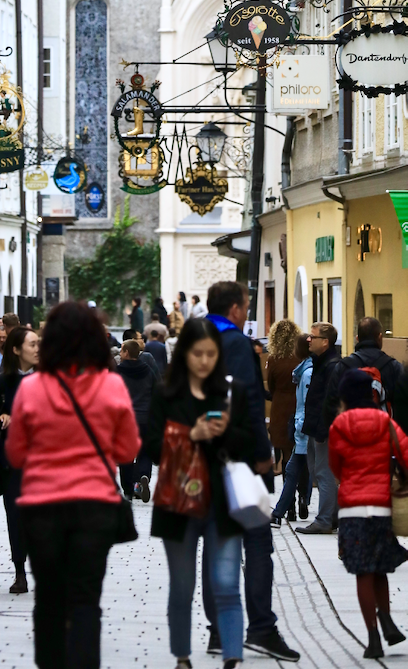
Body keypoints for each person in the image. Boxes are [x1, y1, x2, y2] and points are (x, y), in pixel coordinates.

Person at [6, 301, 139, 669]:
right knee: (84, 600)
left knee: (48, 600)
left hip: (41, 507)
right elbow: (128, 448)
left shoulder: (31, 389)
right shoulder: (112, 386)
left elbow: (15, 454)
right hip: (94, 507)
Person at [145, 319, 254, 669]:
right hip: (177, 501)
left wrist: (225, 434)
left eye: (211, 354)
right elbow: (148, 446)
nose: (205, 361)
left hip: (222, 502)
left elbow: (249, 444)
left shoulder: (230, 391)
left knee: (226, 584)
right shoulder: (166, 393)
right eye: (197, 354)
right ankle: (182, 657)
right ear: (184, 355)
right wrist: (190, 434)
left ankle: (232, 656)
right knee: (182, 586)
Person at [205, 282, 298, 661]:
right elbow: (244, 398)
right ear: (234, 309)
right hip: (240, 459)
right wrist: (263, 456)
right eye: (244, 307)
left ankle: (218, 629)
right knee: (257, 543)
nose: (246, 313)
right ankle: (260, 626)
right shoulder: (236, 345)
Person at [329, 368, 408, 658]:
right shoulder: (385, 422)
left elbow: (335, 467)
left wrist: (350, 480)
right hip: (379, 506)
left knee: (363, 570)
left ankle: (373, 638)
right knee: (380, 568)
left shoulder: (338, 425)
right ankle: (386, 618)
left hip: (352, 509)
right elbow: (406, 453)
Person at [0, 325, 40, 593]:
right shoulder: (3, 382)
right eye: (32, 344)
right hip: (13, 462)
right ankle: (20, 571)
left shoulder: (48, 380)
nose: (37, 349)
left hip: (45, 462)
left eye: (38, 343)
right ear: (17, 350)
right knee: (15, 517)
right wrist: (0, 417)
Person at [297, 320, 342, 536]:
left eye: (312, 336)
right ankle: (330, 516)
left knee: (324, 473)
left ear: (325, 342)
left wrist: (323, 431)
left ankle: (325, 519)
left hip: (323, 429)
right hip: (316, 427)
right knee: (319, 472)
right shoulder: (320, 362)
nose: (308, 339)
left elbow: (330, 402)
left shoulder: (331, 365)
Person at [324, 317, 403, 431]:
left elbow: (330, 405)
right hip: (384, 435)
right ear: (380, 338)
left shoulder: (343, 366)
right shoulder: (393, 366)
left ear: (357, 339)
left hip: (351, 435)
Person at [271, 335, 313, 526]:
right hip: (301, 425)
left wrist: (299, 426)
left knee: (297, 468)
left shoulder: (306, 372)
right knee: (300, 468)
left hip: (301, 426)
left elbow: (307, 404)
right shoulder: (303, 369)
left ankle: (283, 511)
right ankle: (294, 504)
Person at [117, 338, 156, 501]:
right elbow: (157, 391)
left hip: (126, 419)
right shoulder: (148, 371)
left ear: (126, 352)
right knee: (145, 451)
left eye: (121, 350)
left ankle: (128, 489)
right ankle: (143, 476)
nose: (119, 353)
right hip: (145, 418)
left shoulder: (118, 372)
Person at [265, 319, 301, 482]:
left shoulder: (273, 359)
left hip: (280, 407)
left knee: (286, 454)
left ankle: (289, 500)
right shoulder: (301, 358)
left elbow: (271, 385)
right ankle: (302, 497)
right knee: (300, 451)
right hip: (298, 404)